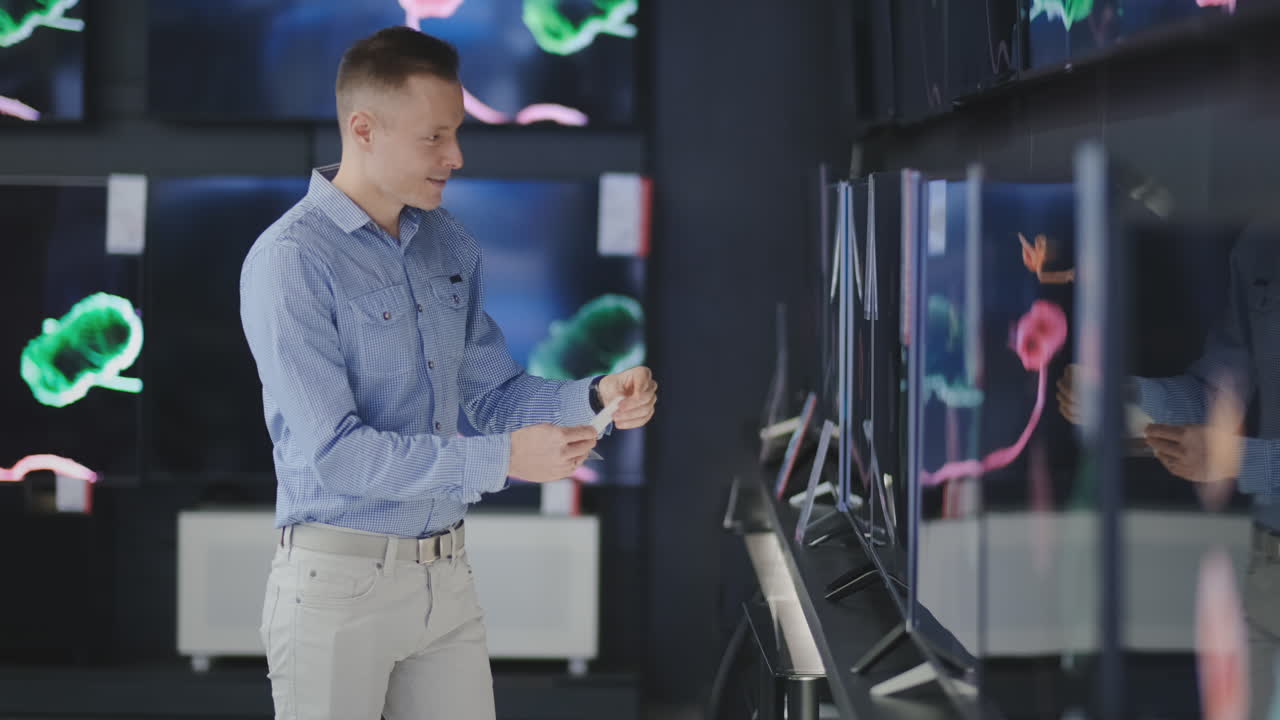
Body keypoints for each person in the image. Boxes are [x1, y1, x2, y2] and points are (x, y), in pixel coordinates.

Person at [239, 26, 657, 720]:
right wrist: (503, 459)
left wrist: (593, 396)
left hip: (446, 581)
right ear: (363, 129)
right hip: (337, 587)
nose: (456, 156)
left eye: (456, 133)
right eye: (434, 137)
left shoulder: (448, 241)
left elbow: (494, 393)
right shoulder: (291, 260)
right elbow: (339, 454)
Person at [1058, 230, 1279, 719]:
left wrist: (1238, 460)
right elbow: (1216, 392)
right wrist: (1125, 398)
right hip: (1266, 570)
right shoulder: (1260, 246)